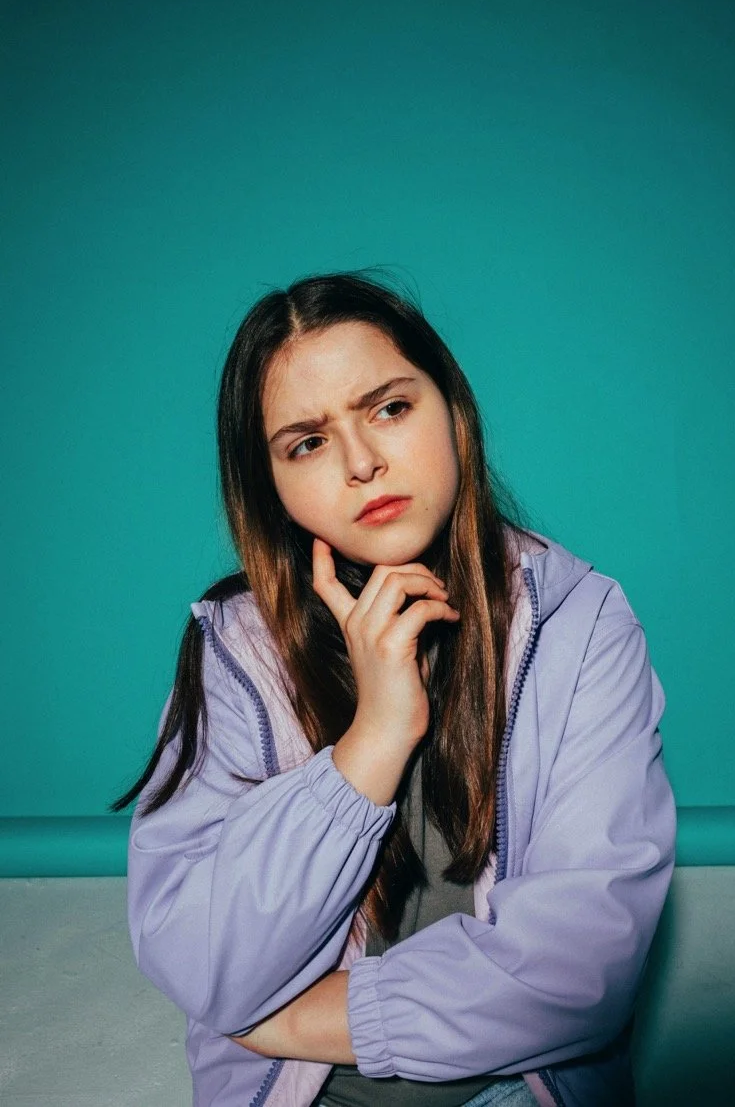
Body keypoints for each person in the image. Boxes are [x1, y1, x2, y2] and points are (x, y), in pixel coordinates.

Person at [113, 271, 676, 1107]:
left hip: (517, 1089)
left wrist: (315, 1020)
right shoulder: (235, 649)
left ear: (452, 406)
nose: (362, 463)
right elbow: (201, 957)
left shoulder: (580, 624)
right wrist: (370, 743)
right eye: (306, 442)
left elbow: (582, 967)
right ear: (270, 484)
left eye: (388, 407)